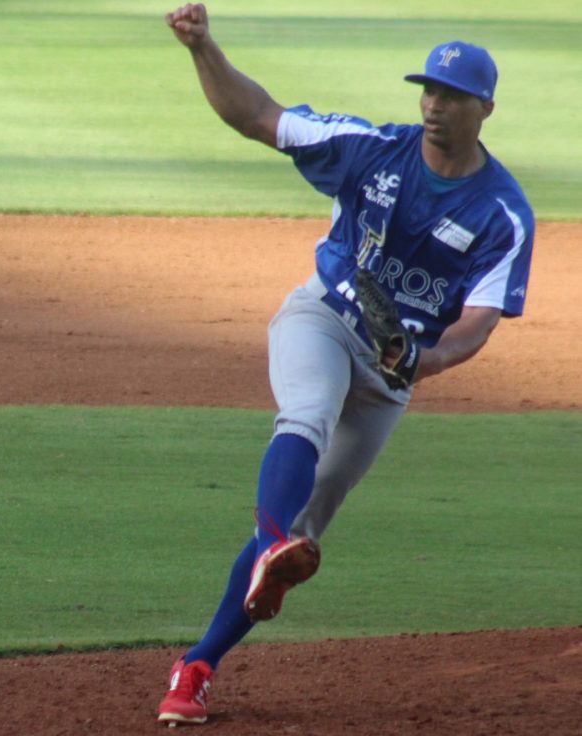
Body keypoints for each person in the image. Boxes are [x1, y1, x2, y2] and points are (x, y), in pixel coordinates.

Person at [157, 3, 535, 726]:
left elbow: (477, 324)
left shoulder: (503, 214)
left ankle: (196, 664)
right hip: (324, 320)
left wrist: (424, 360)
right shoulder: (371, 149)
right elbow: (257, 115)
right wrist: (203, 47)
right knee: (305, 415)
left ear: (485, 107)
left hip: (392, 379)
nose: (434, 105)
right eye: (428, 90)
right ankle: (270, 548)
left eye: (453, 95)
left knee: (307, 525)